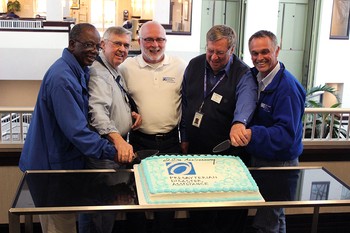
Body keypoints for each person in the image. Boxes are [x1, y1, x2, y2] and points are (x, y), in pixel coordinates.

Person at [19, 23, 132, 233]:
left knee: (71, 221)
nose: (93, 52)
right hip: (49, 170)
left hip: (64, 164)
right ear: (72, 44)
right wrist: (114, 151)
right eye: (88, 45)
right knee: (60, 226)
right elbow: (78, 131)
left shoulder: (79, 69)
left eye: (96, 46)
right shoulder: (62, 77)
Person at [180, 25, 257, 233]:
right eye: (210, 51)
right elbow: (186, 103)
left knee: (227, 216)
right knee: (199, 213)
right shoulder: (194, 65)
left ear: (232, 50)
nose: (214, 57)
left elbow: (246, 103)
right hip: (197, 152)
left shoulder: (243, 74)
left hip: (228, 156)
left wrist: (239, 123)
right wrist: (185, 136)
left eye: (220, 53)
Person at [118, 20, 187, 233]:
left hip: (170, 143)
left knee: (167, 202)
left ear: (166, 41)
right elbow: (118, 101)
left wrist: (184, 137)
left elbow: (189, 103)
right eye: (148, 39)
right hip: (139, 142)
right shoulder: (125, 68)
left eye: (159, 39)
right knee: (136, 199)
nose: (154, 44)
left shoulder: (180, 66)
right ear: (139, 41)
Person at [78, 26, 142, 233]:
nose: (122, 49)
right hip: (105, 151)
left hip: (112, 149)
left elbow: (112, 102)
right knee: (99, 211)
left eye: (126, 45)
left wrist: (129, 112)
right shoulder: (99, 73)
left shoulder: (113, 70)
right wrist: (119, 140)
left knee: (107, 208)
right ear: (102, 45)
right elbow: (97, 112)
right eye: (117, 43)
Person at [242, 30, 306, 233]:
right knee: (275, 214)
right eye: (254, 53)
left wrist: (252, 133)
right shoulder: (256, 77)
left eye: (265, 52)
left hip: (280, 162)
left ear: (277, 50)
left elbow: (286, 135)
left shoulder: (287, 87)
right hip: (263, 156)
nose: (259, 58)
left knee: (267, 220)